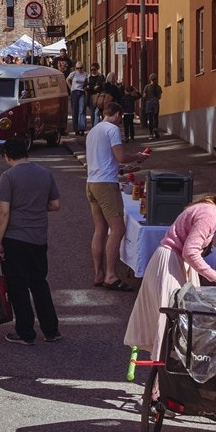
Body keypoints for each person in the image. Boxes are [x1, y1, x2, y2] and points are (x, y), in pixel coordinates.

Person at [123, 181, 216, 355]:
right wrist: (215, 276)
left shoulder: (208, 208)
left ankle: (164, 376)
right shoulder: (210, 213)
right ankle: (162, 378)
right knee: (172, 324)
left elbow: (190, 242)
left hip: (172, 259)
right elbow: (190, 251)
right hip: (171, 261)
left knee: (175, 323)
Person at [0, 135, 63, 345]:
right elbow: (55, 205)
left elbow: (4, 211)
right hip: (39, 237)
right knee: (39, 283)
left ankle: (25, 331)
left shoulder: (8, 176)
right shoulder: (45, 173)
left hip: (15, 237)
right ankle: (51, 330)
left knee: (18, 285)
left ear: (7, 156)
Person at [86, 101, 141, 291]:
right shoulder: (112, 130)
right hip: (106, 185)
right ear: (117, 115)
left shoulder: (93, 131)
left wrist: (124, 169)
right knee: (117, 229)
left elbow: (105, 160)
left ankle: (98, 273)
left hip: (92, 182)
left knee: (100, 229)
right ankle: (110, 275)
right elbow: (121, 156)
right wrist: (138, 156)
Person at [67, 64, 90, 135]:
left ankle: (82, 128)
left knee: (82, 110)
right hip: (74, 92)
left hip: (82, 92)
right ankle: (76, 129)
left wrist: (86, 87)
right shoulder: (73, 74)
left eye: (80, 68)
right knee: (75, 111)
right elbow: (67, 80)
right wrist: (71, 88)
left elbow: (88, 82)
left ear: (83, 68)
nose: (79, 69)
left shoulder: (86, 74)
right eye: (77, 68)